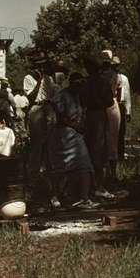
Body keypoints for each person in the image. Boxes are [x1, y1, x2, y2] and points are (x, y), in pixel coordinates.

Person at [49, 73, 99, 209]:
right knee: (58, 166)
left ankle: (84, 198)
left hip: (75, 134)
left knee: (85, 163)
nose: (79, 87)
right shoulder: (61, 95)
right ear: (70, 83)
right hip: (62, 133)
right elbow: (61, 117)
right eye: (76, 84)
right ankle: (55, 195)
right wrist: (75, 125)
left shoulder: (78, 96)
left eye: (81, 85)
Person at [81, 54, 115, 199]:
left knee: (95, 148)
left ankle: (95, 185)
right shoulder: (99, 82)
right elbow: (109, 102)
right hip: (96, 116)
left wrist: (93, 103)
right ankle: (96, 185)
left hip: (94, 116)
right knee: (97, 149)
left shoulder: (88, 83)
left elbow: (108, 102)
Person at [23, 53, 56, 180]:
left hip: (49, 107)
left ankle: (50, 171)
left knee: (51, 142)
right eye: (38, 66)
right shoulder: (28, 78)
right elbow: (31, 97)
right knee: (36, 143)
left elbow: (53, 96)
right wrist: (39, 80)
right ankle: (34, 173)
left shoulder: (50, 79)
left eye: (43, 66)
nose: (41, 68)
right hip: (36, 107)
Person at [99, 50, 121, 183]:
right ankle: (104, 170)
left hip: (109, 104)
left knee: (112, 139)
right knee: (103, 138)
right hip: (105, 104)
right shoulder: (112, 75)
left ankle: (112, 172)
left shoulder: (113, 76)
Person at [112, 56, 132, 162]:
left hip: (120, 105)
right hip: (110, 104)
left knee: (121, 131)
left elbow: (127, 95)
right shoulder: (106, 77)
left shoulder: (123, 78)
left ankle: (120, 154)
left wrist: (128, 111)